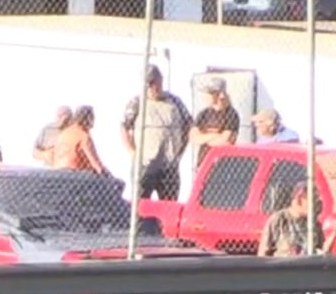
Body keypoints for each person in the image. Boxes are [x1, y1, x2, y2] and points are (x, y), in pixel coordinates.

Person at [121, 65, 193, 200]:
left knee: (169, 205)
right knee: (141, 204)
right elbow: (124, 126)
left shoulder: (175, 101)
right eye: (149, 84)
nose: (152, 87)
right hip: (145, 164)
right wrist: (132, 152)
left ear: (161, 80)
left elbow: (189, 125)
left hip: (169, 164)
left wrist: (180, 150)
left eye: (155, 82)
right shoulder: (137, 102)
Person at [258, 181, 336, 258]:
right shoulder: (279, 220)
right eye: (313, 200)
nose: (316, 205)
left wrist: (332, 237)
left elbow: (320, 254)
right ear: (299, 200)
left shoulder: (314, 224)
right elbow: (263, 254)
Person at [191, 76, 240, 166]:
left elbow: (224, 141)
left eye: (212, 93)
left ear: (221, 94)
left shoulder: (231, 114)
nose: (208, 96)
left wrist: (204, 138)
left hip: (222, 164)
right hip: (203, 162)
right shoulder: (203, 113)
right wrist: (214, 135)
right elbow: (194, 138)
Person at [47, 105, 108, 175]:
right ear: (87, 119)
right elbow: (96, 164)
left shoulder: (64, 133)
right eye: (92, 118)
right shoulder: (83, 136)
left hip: (57, 172)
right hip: (75, 174)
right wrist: (109, 176)